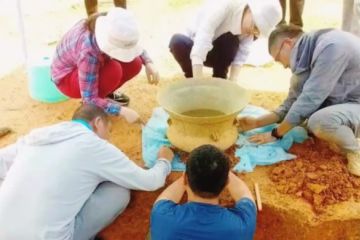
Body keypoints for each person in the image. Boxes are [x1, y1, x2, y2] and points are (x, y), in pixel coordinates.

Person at [0, 104, 174, 240]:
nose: (109, 138)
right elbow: (151, 182)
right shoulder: (94, 145)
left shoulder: (37, 136)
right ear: (98, 123)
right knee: (119, 190)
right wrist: (164, 160)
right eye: (109, 130)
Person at [237, 25, 360, 176]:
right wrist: (257, 123)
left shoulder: (331, 47)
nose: (282, 66)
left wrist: (275, 134)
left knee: (319, 122)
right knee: (302, 122)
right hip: (348, 102)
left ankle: (356, 151)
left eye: (278, 58)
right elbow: (292, 104)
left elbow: (310, 99)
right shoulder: (308, 54)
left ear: (287, 44)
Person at [51, 8, 159, 124]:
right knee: (113, 71)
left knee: (135, 63)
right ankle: (96, 109)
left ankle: (104, 96)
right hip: (66, 78)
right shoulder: (89, 50)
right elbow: (89, 98)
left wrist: (148, 62)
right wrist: (122, 111)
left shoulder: (111, 25)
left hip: (83, 67)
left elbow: (129, 43)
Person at [150, 145, 257, 240]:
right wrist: (219, 169)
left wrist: (188, 174)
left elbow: (165, 198)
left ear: (185, 179)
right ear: (226, 183)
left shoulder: (161, 215)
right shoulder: (243, 224)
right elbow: (244, 194)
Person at [169, 0, 282, 81]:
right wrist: (198, 81)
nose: (254, 31)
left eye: (258, 30)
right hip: (195, 50)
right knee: (177, 42)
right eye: (255, 25)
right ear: (249, 10)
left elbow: (242, 52)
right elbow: (203, 36)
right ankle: (191, 78)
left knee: (230, 39)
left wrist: (233, 82)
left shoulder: (250, 30)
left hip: (217, 56)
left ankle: (220, 79)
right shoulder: (224, 5)